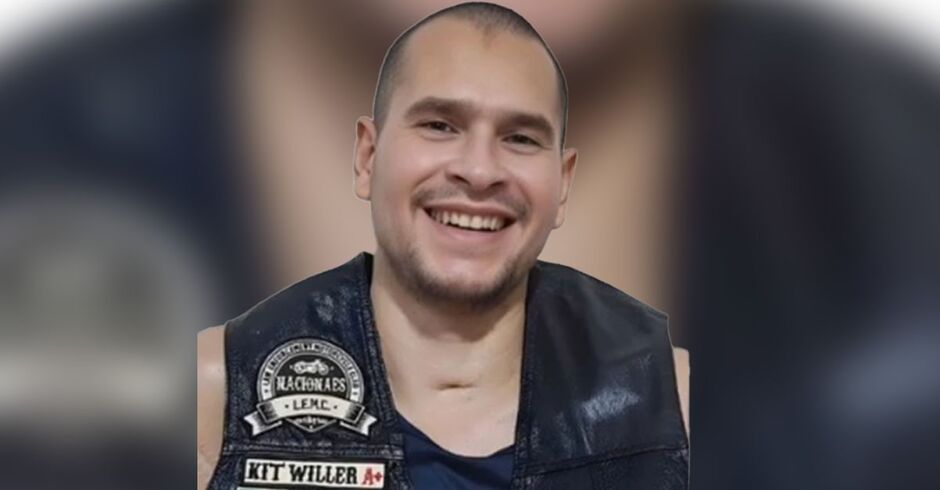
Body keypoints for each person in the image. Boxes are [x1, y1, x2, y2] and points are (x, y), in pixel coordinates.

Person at [198, 3, 688, 489]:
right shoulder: (219, 388)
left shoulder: (671, 397)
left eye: (520, 138)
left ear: (562, 184)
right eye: (439, 126)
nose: (478, 170)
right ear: (368, 156)